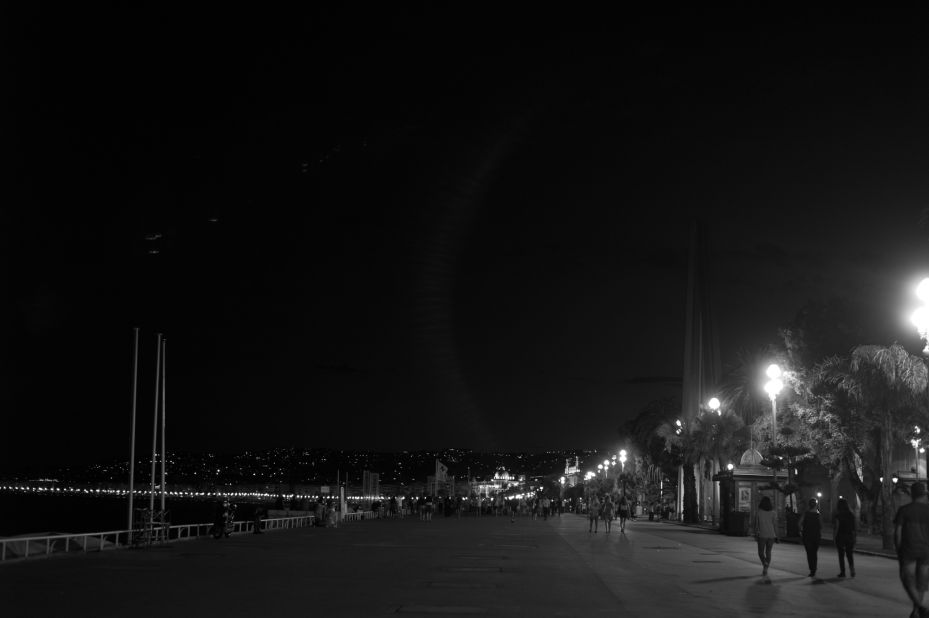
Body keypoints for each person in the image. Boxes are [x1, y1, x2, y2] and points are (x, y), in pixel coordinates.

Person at [895, 481, 929, 617]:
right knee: (921, 582)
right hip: (926, 550)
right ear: (924, 494)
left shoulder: (904, 510)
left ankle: (920, 607)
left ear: (912, 494)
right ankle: (917, 612)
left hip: (909, 549)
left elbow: (897, 532)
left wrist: (898, 550)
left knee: (907, 579)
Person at [753, 496, 778, 576]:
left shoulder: (759, 512)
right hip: (771, 535)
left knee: (760, 552)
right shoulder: (773, 513)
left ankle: (765, 563)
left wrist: (755, 533)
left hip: (762, 535)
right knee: (768, 552)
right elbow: (775, 525)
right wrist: (777, 535)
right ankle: (765, 568)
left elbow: (756, 525)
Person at [832, 497, 857, 578]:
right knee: (850, 554)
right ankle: (852, 570)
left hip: (841, 536)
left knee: (841, 555)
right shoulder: (851, 515)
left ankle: (843, 572)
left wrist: (834, 537)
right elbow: (854, 527)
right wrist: (855, 537)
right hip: (850, 536)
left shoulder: (838, 515)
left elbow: (837, 527)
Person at [799, 498, 822, 577]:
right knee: (814, 553)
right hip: (816, 536)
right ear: (815, 505)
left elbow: (799, 524)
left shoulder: (806, 514)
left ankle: (812, 569)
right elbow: (821, 525)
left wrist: (801, 531)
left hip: (807, 536)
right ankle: (814, 569)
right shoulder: (818, 514)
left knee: (809, 553)